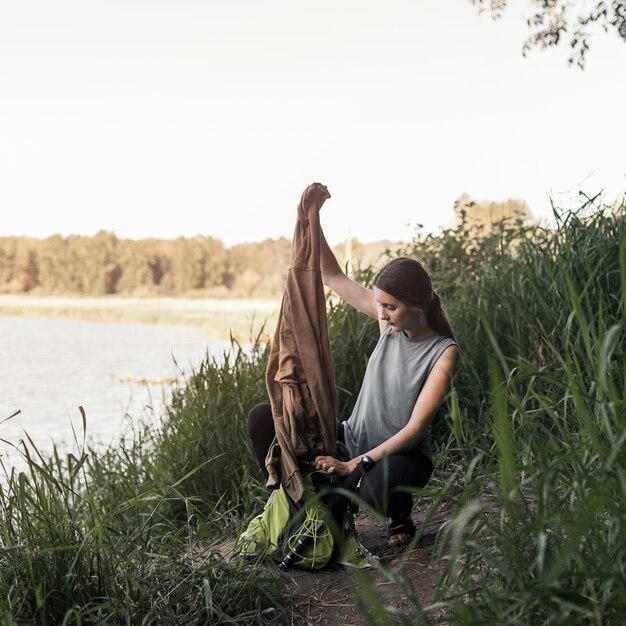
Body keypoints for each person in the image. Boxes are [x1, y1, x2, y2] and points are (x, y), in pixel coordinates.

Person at [247, 183, 459, 547]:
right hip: (349, 439)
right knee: (263, 418)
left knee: (372, 489)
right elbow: (332, 277)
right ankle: (302, 500)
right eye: (379, 304)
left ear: (417, 305)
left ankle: (398, 511)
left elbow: (414, 428)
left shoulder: (443, 351)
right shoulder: (388, 324)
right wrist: (314, 218)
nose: (381, 313)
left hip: (401, 454)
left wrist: (353, 465)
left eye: (390, 306)